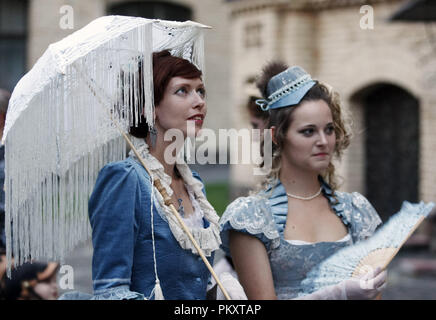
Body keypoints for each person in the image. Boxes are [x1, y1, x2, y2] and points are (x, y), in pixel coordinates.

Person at [61, 50, 224, 300]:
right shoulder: (124, 180)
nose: (199, 101)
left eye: (200, 90)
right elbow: (110, 289)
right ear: (150, 108)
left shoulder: (194, 184)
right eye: (183, 90)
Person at [219, 62, 387, 300]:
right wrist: (338, 294)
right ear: (276, 137)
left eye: (328, 129)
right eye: (308, 131)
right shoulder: (252, 218)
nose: (323, 141)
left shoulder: (356, 212)